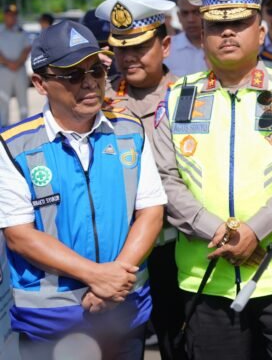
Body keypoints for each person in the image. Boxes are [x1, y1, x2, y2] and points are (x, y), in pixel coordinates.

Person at [151, 0, 272, 360]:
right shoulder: (177, 97)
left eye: (240, 23)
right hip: (205, 280)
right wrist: (216, 230)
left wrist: (255, 231)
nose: (227, 33)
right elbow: (165, 177)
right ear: (202, 34)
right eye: (216, 25)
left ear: (260, 33)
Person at [0, 20, 166, 359]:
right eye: (73, 75)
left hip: (123, 312)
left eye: (96, 71)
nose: (90, 82)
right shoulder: (14, 146)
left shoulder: (129, 131)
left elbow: (151, 211)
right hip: (51, 322)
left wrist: (111, 284)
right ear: (40, 84)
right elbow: (20, 235)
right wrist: (97, 277)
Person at [95, 0, 186, 360]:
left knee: (178, 342)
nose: (129, 57)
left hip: (177, 245)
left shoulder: (189, 96)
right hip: (120, 248)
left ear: (165, 45)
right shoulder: (100, 102)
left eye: (139, 47)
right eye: (121, 49)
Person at [0, 4, 31, 127]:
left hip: (19, 69)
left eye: (14, 15)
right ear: (5, 16)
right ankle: (3, 127)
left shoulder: (21, 31)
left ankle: (25, 126)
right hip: (4, 70)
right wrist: (9, 63)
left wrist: (17, 63)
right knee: (3, 100)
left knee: (23, 100)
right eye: (10, 15)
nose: (12, 18)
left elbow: (27, 48)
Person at [164, 0, 208, 77]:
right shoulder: (167, 49)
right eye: (185, 13)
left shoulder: (221, 46)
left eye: (196, 12)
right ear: (178, 16)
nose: (190, 19)